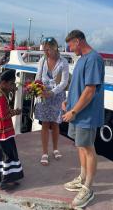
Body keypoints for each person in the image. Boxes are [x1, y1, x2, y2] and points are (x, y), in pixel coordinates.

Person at [62, 30, 105, 208]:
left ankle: (88, 188)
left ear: (78, 41)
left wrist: (73, 111)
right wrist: (68, 102)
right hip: (77, 112)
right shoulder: (81, 60)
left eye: (71, 45)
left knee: (88, 148)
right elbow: (78, 86)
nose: (70, 49)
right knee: (80, 145)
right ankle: (82, 178)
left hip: (85, 115)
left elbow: (90, 90)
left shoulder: (94, 59)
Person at [0, 69, 24, 190]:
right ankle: (6, 181)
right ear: (4, 83)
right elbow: (4, 115)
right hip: (2, 129)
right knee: (9, 152)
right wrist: (16, 112)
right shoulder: (1, 96)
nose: (12, 86)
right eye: (11, 83)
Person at [35, 37, 69, 165]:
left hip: (56, 95)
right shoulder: (42, 60)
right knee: (44, 123)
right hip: (44, 94)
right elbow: (38, 77)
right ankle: (44, 152)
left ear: (54, 48)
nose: (45, 52)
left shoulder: (63, 62)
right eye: (44, 49)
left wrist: (52, 92)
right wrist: (36, 88)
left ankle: (55, 149)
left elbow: (64, 82)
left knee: (55, 123)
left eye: (47, 49)